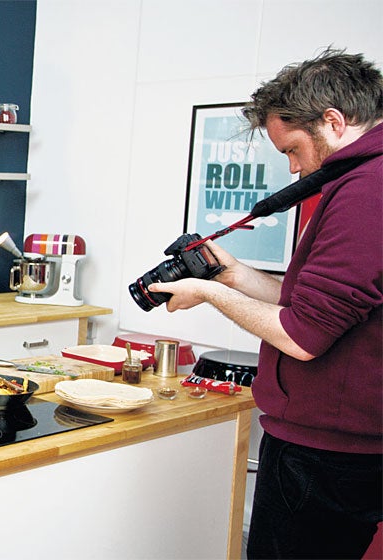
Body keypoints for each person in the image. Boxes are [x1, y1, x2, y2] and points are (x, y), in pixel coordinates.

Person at [149, 48, 382, 559]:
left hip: (326, 457)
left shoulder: (368, 191)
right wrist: (228, 271)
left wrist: (208, 292)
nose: (295, 169)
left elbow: (303, 336)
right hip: (331, 448)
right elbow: (310, 302)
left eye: (293, 150)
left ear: (334, 121)